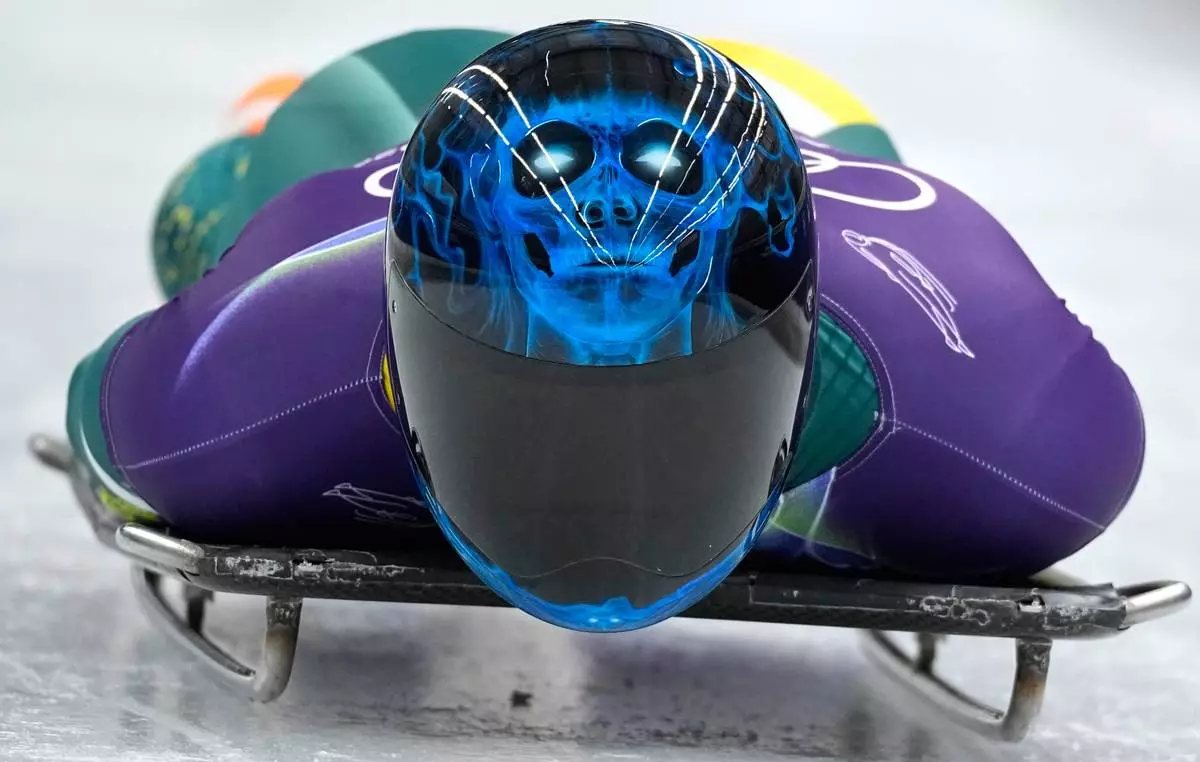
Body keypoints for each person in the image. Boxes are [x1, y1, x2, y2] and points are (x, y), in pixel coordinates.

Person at [65, 21, 1144, 632]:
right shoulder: (243, 372)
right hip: (380, 115)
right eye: (519, 407)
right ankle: (271, 111)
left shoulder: (1018, 420)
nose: (609, 531)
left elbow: (95, 398)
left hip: (825, 138)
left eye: (683, 415)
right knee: (207, 200)